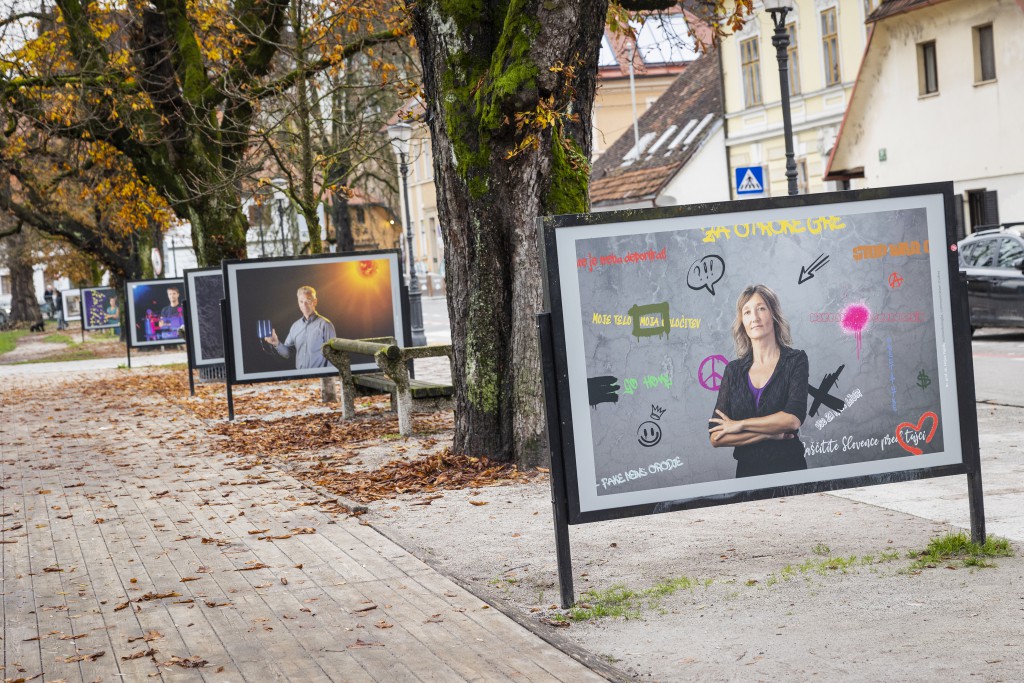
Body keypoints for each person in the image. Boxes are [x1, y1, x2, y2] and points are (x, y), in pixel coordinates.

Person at [708, 284, 809, 478]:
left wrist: (740, 425)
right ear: (742, 322)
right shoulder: (733, 371)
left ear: (773, 314)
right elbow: (716, 436)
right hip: (747, 475)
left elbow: (792, 420)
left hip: (790, 471)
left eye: (761, 308)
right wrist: (769, 433)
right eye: (747, 312)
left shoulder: (795, 360)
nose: (754, 317)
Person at [264, 285, 336, 369]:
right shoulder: (295, 327)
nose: (304, 305)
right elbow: (287, 353)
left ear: (315, 301)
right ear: (298, 303)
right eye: (301, 302)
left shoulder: (325, 325)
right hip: (301, 377)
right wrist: (276, 343)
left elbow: (333, 357)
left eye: (308, 301)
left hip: (320, 378)